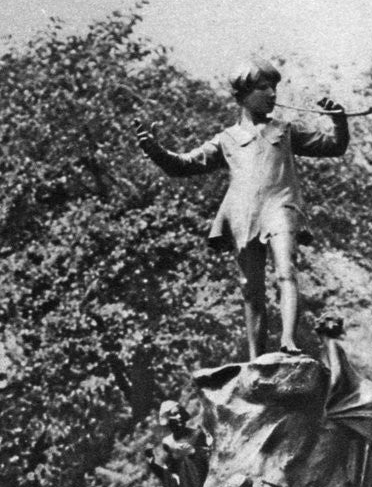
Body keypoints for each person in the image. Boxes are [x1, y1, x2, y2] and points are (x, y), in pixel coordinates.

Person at [136, 57, 350, 359]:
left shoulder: (285, 130)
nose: (272, 94)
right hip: (243, 213)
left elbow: (334, 146)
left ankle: (288, 340)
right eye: (264, 88)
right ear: (243, 94)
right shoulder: (227, 139)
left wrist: (339, 121)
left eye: (274, 88)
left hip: (281, 205)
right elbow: (183, 165)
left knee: (286, 270)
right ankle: (255, 358)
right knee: (251, 287)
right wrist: (155, 150)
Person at [148, 400, 211, 487]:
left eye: (180, 413)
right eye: (175, 414)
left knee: (186, 462)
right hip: (185, 485)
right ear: (168, 419)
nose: (179, 417)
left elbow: (209, 458)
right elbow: (172, 469)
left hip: (201, 476)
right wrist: (155, 465)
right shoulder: (168, 442)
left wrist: (192, 452)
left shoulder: (196, 434)